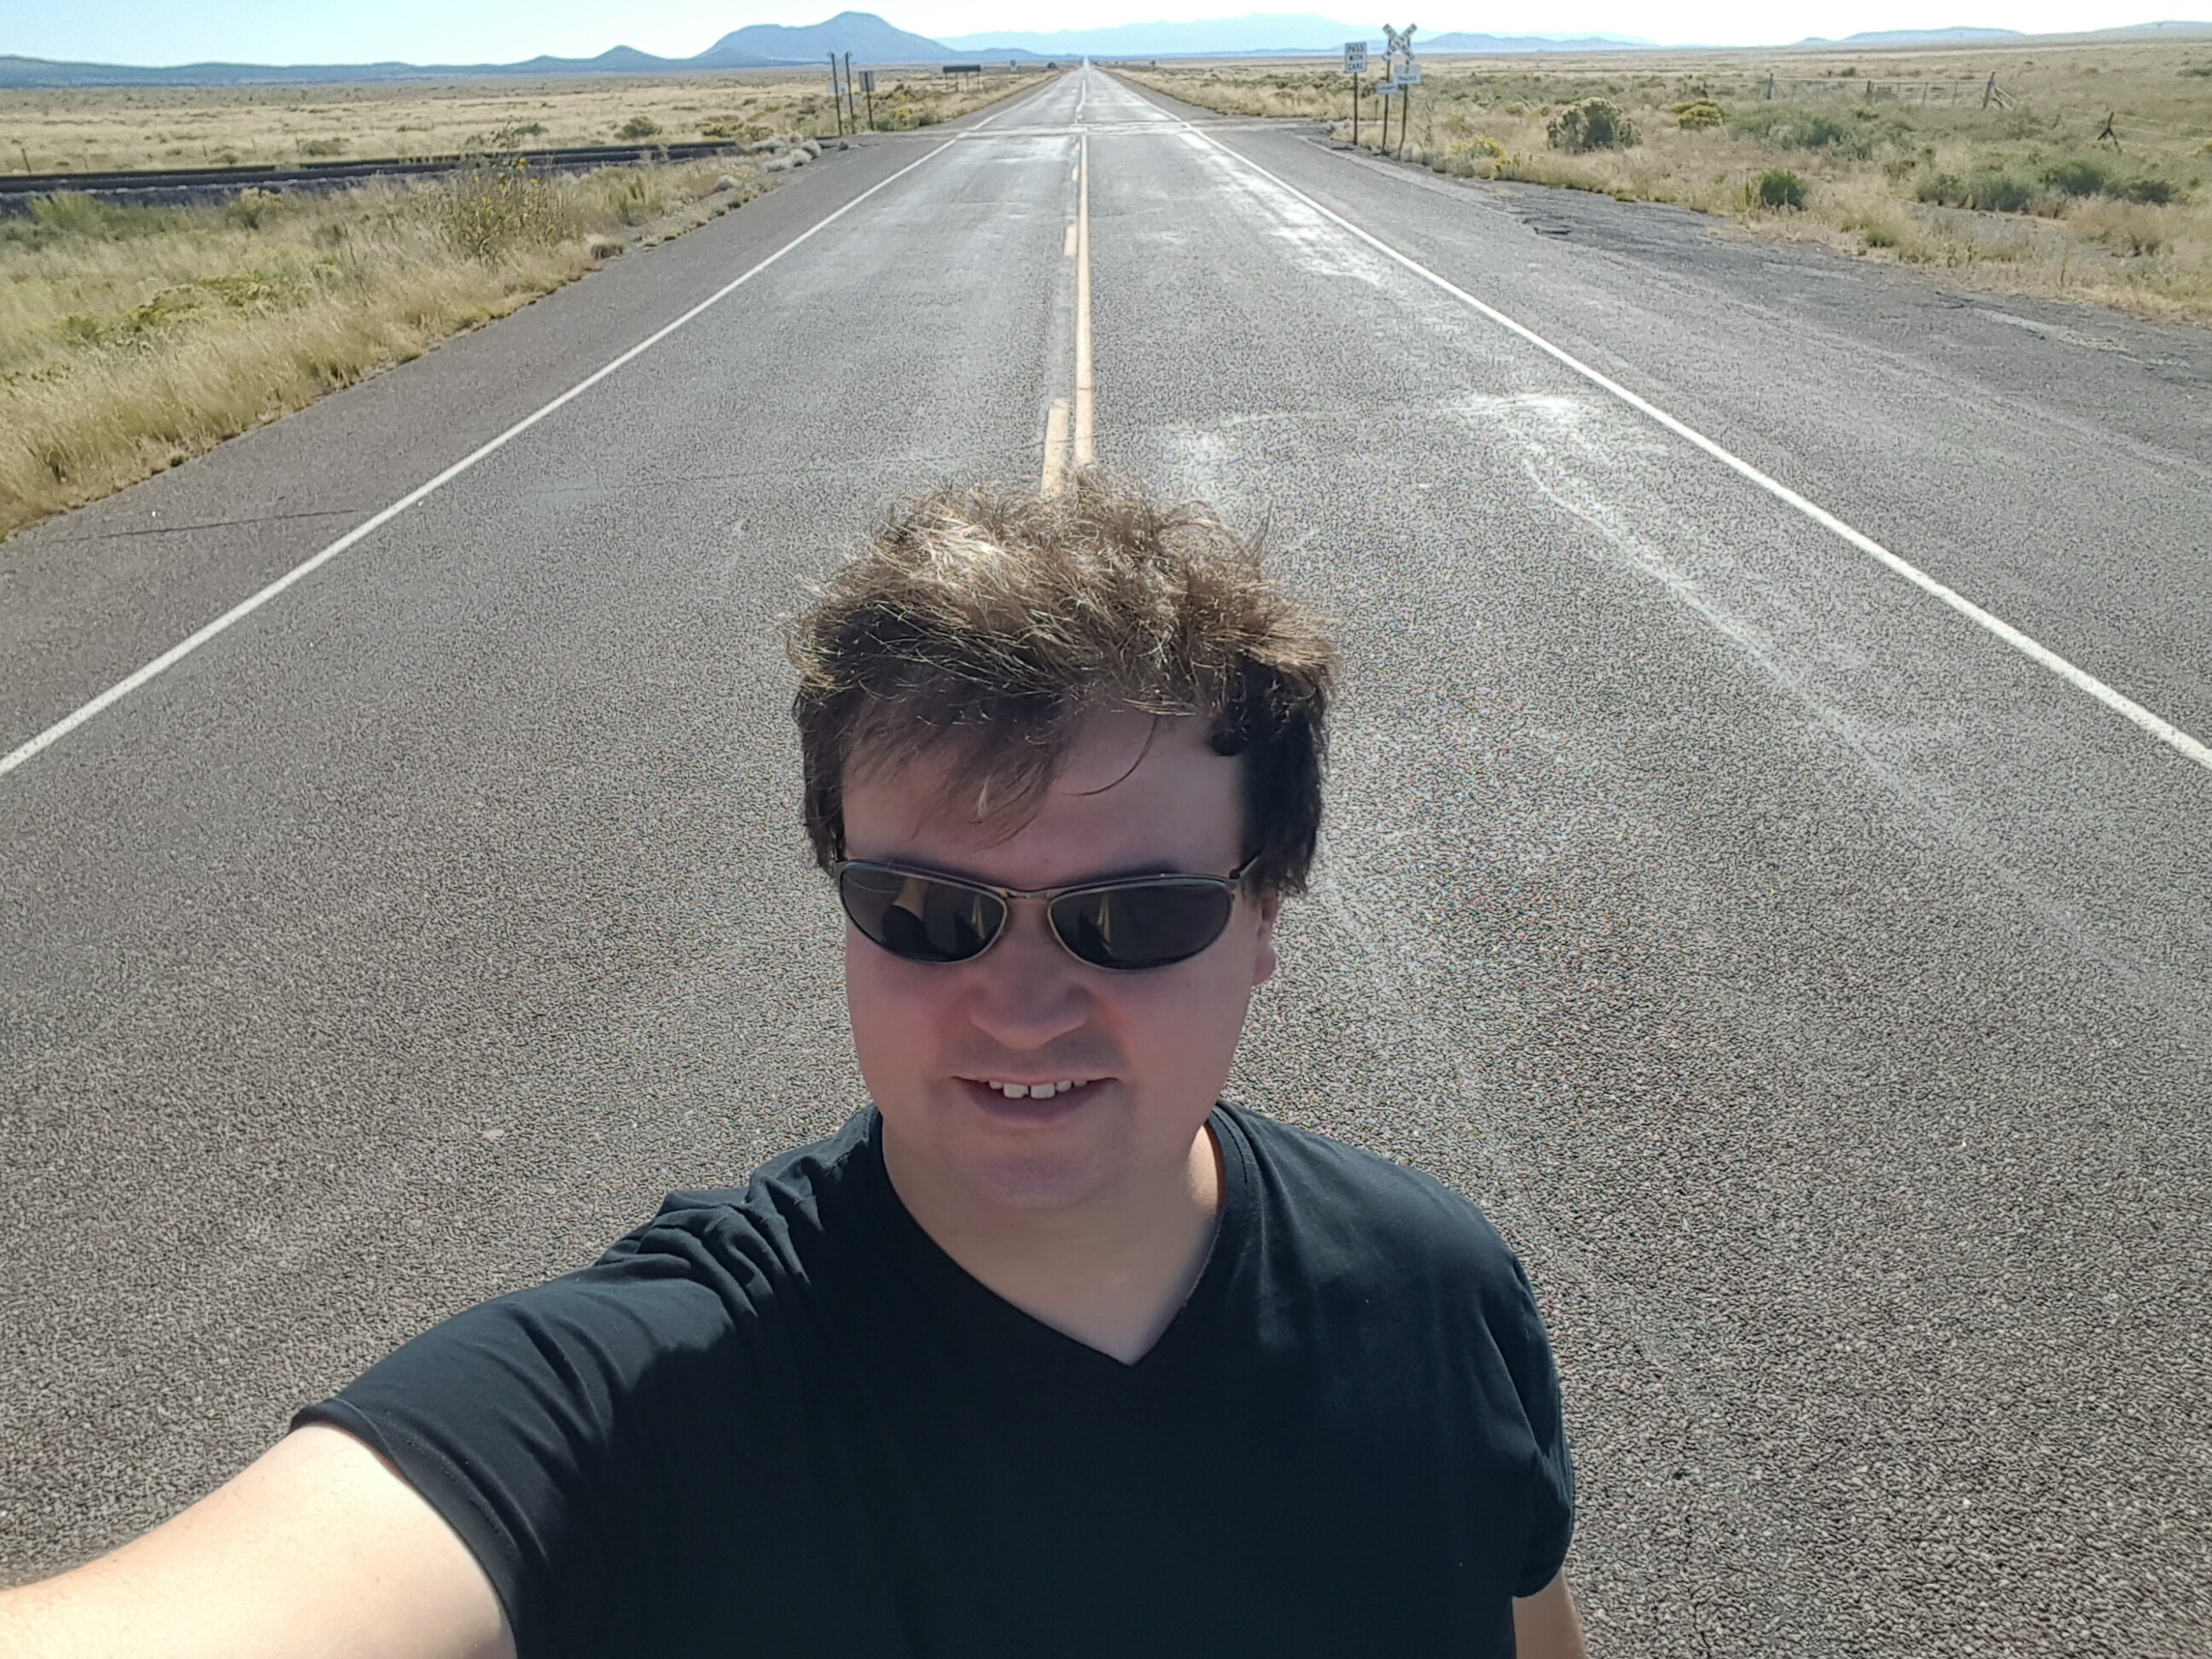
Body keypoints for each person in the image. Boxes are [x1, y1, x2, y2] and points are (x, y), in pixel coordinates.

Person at [0, 474, 1583, 1659]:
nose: (1022, 1006)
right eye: (927, 912)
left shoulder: (1441, 1291)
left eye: (1135, 918)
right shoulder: (654, 1397)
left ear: (1264, 919)